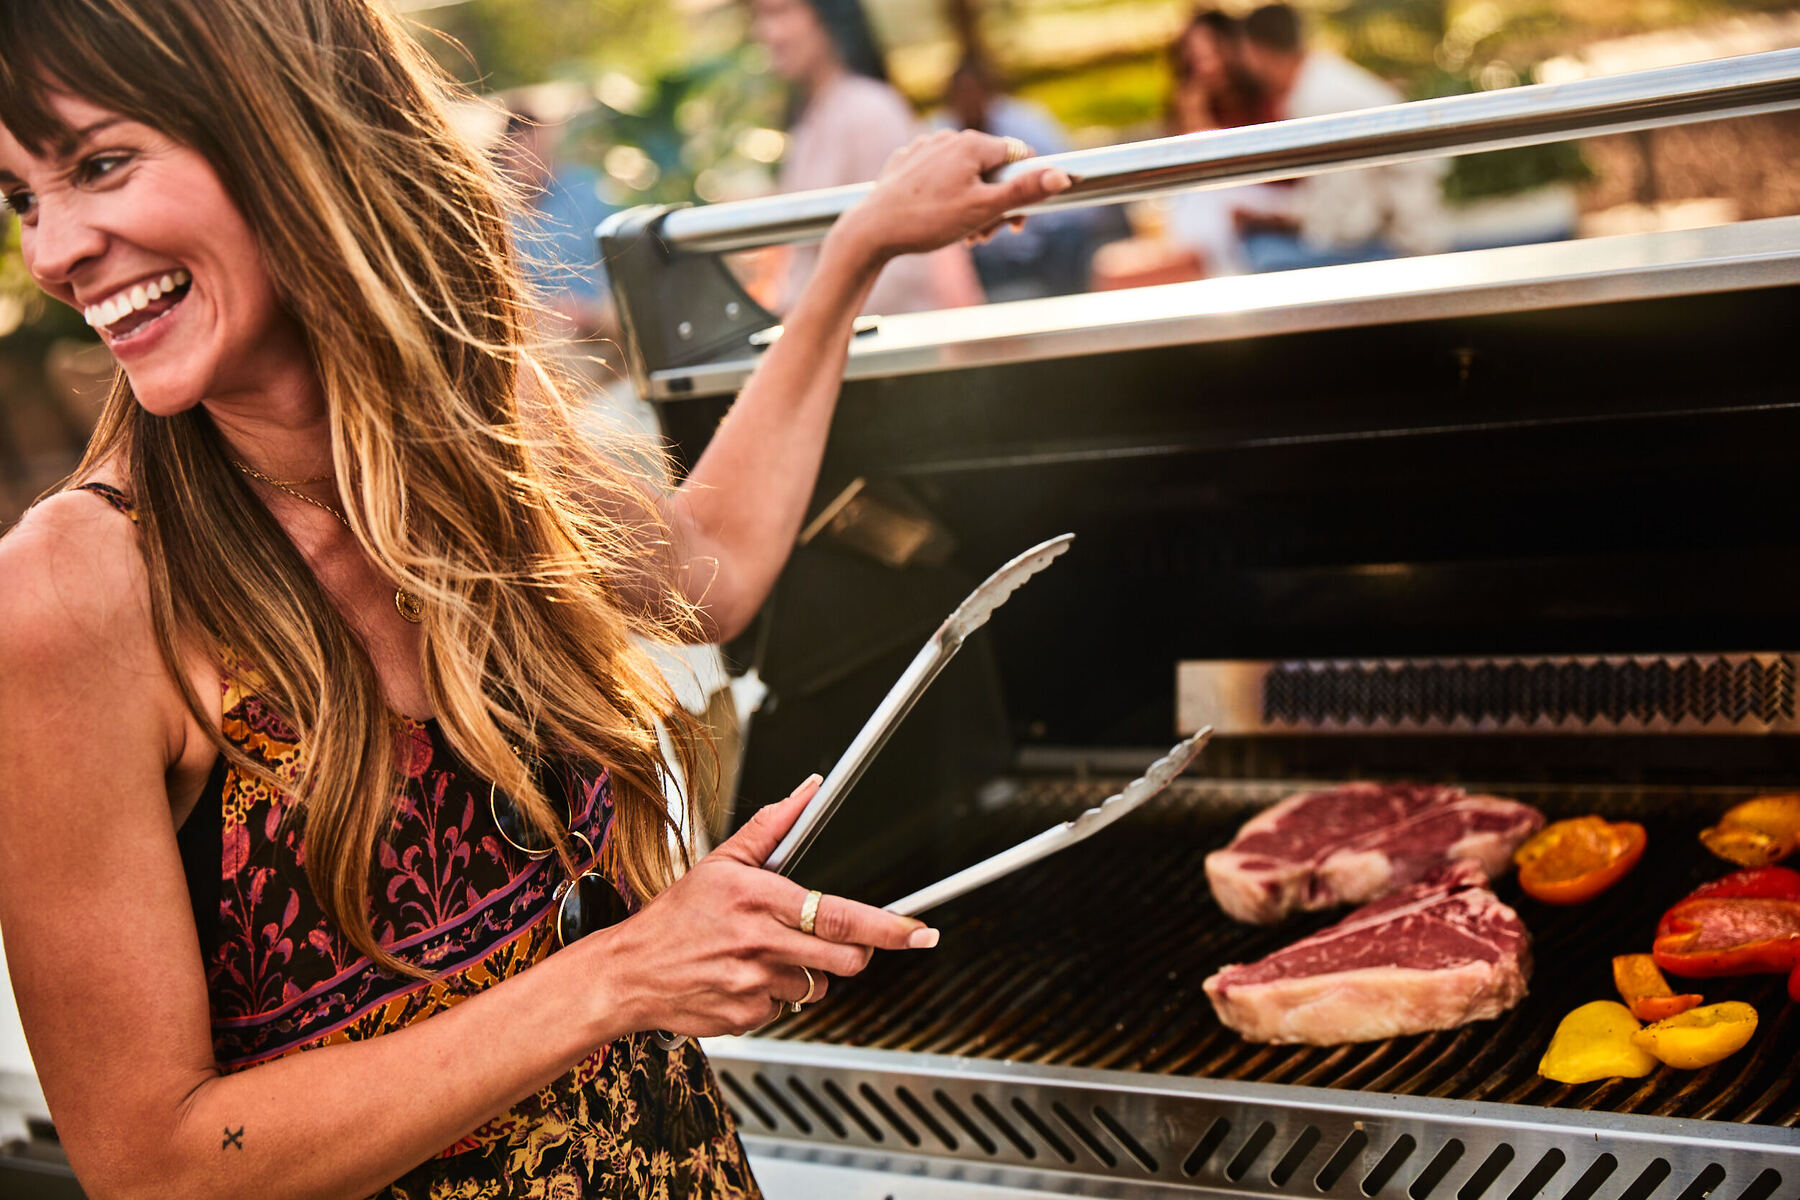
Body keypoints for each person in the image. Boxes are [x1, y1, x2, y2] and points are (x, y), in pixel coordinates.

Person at [0, 2, 1071, 1198]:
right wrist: (623, 976)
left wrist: (857, 251)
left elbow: (700, 575)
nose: (51, 252)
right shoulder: (76, 590)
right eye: (22, 196)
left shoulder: (462, 430)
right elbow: (153, 1166)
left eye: (99, 164)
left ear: (283, 129)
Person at [752, 0, 985, 315]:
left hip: (890, 344)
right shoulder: (813, 120)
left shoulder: (870, 111)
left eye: (779, 13)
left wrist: (804, 324)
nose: (766, 33)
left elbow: (904, 261)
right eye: (760, 16)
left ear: (827, 15)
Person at [1231, 3, 1449, 271]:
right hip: (1393, 233)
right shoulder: (1321, 81)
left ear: (1257, 52)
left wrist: (1274, 216)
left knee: (1260, 254)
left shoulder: (1321, 100)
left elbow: (1345, 225)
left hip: (1395, 248)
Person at [936, 54, 1093, 299]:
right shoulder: (939, 136)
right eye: (961, 94)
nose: (969, 100)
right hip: (981, 255)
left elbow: (1068, 179)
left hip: (1041, 243)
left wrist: (1029, 212)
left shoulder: (1026, 123)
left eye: (974, 91)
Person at [1162, 9, 1285, 277]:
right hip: (1226, 196)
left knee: (1205, 202)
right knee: (1195, 200)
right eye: (1197, 59)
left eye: (1212, 55)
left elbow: (1250, 165)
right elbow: (1192, 169)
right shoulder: (1196, 100)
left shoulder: (1261, 94)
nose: (1207, 67)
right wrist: (1194, 115)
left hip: (1274, 190)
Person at [493, 107, 618, 345]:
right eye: (523, 149)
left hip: (598, 319)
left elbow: (614, 256)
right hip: (541, 334)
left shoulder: (581, 191)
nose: (533, 159)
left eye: (538, 148)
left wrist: (591, 310)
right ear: (505, 152)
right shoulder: (498, 215)